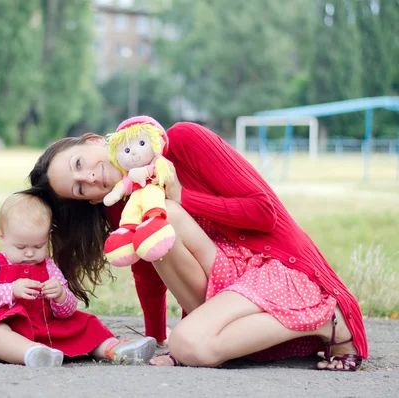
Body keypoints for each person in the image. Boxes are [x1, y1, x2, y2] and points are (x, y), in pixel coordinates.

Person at [24, 116, 367, 371]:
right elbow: (149, 275)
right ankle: (212, 335)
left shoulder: (183, 141)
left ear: (94, 139)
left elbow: (264, 213)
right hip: (228, 283)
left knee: (187, 337)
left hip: (277, 271)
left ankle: (328, 318)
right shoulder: (123, 206)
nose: (90, 177)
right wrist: (156, 339)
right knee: (154, 236)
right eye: (80, 187)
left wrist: (182, 197)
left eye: (79, 164)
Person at [0, 192, 157, 367]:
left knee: (86, 325)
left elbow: (67, 311)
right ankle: (32, 353)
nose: (29, 253)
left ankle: (116, 349)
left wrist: (60, 296)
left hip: (47, 328)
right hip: (12, 328)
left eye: (38, 245)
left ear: (48, 236)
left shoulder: (49, 267)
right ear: (2, 237)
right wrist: (10, 290)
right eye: (20, 247)